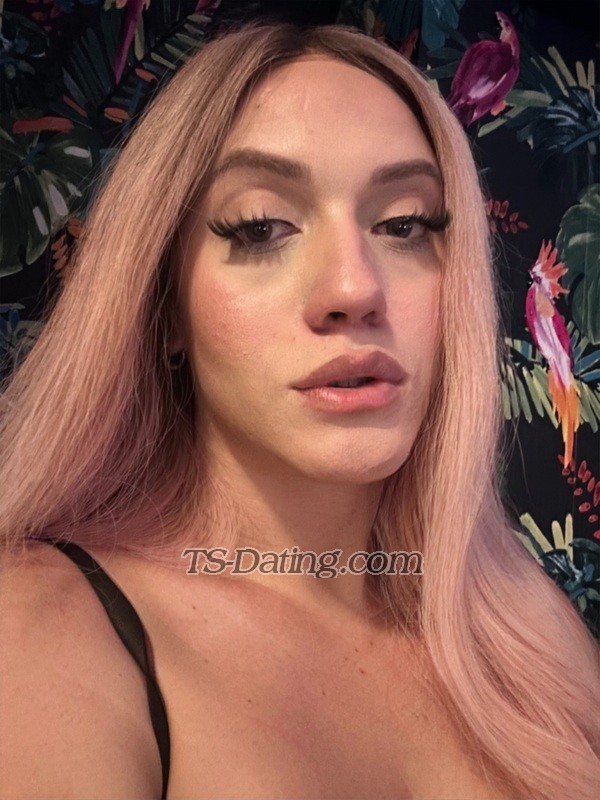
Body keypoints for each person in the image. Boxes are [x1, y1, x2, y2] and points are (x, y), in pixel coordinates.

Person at [0, 20, 598, 800]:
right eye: (261, 227)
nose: (353, 288)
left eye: (404, 225)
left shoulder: (528, 633)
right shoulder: (45, 631)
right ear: (166, 305)